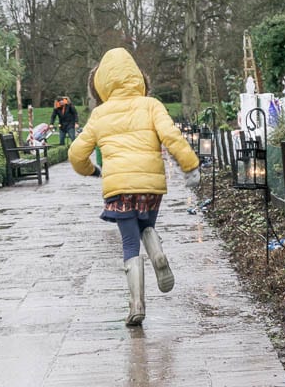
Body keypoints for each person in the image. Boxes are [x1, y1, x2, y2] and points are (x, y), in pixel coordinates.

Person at [68, 48, 200, 327]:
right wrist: (189, 165)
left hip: (118, 187)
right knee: (146, 228)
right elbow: (171, 136)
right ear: (138, 76)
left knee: (129, 242)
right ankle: (158, 255)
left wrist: (92, 171)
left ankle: (136, 304)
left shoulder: (99, 114)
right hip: (151, 186)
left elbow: (76, 154)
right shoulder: (151, 105)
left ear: (101, 83)